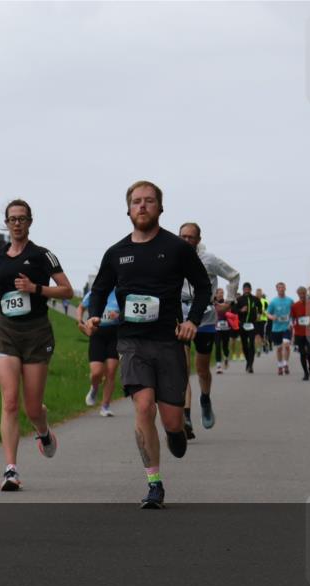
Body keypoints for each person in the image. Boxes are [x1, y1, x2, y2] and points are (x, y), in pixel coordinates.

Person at [84, 181, 211, 509]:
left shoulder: (177, 248)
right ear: (128, 209)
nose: (142, 206)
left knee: (170, 421)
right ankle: (154, 483)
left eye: (149, 201)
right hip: (131, 341)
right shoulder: (116, 253)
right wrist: (94, 316)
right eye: (136, 202)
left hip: (169, 341)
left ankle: (176, 432)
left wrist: (192, 320)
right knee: (143, 407)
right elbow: (99, 289)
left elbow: (202, 286)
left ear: (160, 208)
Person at [0, 199, 73, 491]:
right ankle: (10, 470)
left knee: (32, 407)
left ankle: (43, 430)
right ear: (6, 223)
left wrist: (35, 288)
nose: (17, 224)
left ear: (30, 222)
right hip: (6, 332)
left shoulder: (42, 255)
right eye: (12, 219)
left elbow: (67, 290)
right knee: (10, 401)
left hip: (36, 333)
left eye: (22, 219)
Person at [178, 222, 239, 435]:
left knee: (202, 368)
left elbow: (233, 275)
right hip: (181, 316)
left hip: (205, 317)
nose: (186, 241)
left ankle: (205, 399)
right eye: (182, 236)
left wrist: (229, 301)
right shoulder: (172, 257)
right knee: (182, 368)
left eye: (190, 237)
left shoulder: (209, 260)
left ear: (198, 240)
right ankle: (185, 416)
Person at [78, 288, 120, 417]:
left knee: (111, 371)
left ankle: (105, 406)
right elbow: (81, 307)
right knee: (96, 372)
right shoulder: (94, 292)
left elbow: (129, 311)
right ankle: (94, 388)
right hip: (97, 334)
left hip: (115, 334)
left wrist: (119, 316)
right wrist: (80, 321)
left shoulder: (121, 291)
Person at [234, 282, 263, 373]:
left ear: (250, 289)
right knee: (245, 345)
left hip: (252, 324)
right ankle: (248, 361)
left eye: (248, 289)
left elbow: (260, 308)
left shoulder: (255, 299)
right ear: (243, 289)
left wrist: (259, 314)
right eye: (245, 289)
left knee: (251, 344)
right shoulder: (239, 299)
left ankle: (250, 365)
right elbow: (234, 310)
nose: (246, 290)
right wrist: (241, 310)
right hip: (242, 324)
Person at [266, 282, 294, 375]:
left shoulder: (290, 300)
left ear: (285, 288)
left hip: (286, 327)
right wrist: (271, 317)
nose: (281, 289)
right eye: (279, 288)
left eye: (282, 287)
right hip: (276, 328)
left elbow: (294, 313)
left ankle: (286, 364)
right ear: (277, 289)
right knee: (278, 349)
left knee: (286, 345)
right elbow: (268, 313)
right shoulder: (273, 301)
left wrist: (291, 322)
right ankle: (279, 365)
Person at [291, 286, 310, 380]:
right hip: (299, 333)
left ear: (306, 293)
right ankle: (306, 373)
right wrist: (293, 332)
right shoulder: (295, 306)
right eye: (300, 294)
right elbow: (293, 319)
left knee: (309, 352)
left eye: (303, 293)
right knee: (302, 353)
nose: (302, 295)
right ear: (298, 294)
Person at [212, 288, 232, 373]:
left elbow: (231, 313)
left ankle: (226, 357)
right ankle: (218, 365)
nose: (221, 294)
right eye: (219, 293)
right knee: (217, 346)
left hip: (226, 328)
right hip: (217, 328)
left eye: (222, 293)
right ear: (215, 294)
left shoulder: (226, 303)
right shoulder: (213, 304)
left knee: (225, 346)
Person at [256, 289, 270, 355]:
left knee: (262, 335)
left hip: (263, 320)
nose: (258, 294)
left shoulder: (265, 301)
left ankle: (265, 343)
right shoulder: (254, 301)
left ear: (261, 294)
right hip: (255, 320)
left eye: (259, 293)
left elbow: (269, 310)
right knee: (257, 335)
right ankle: (259, 349)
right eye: (257, 293)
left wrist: (264, 312)